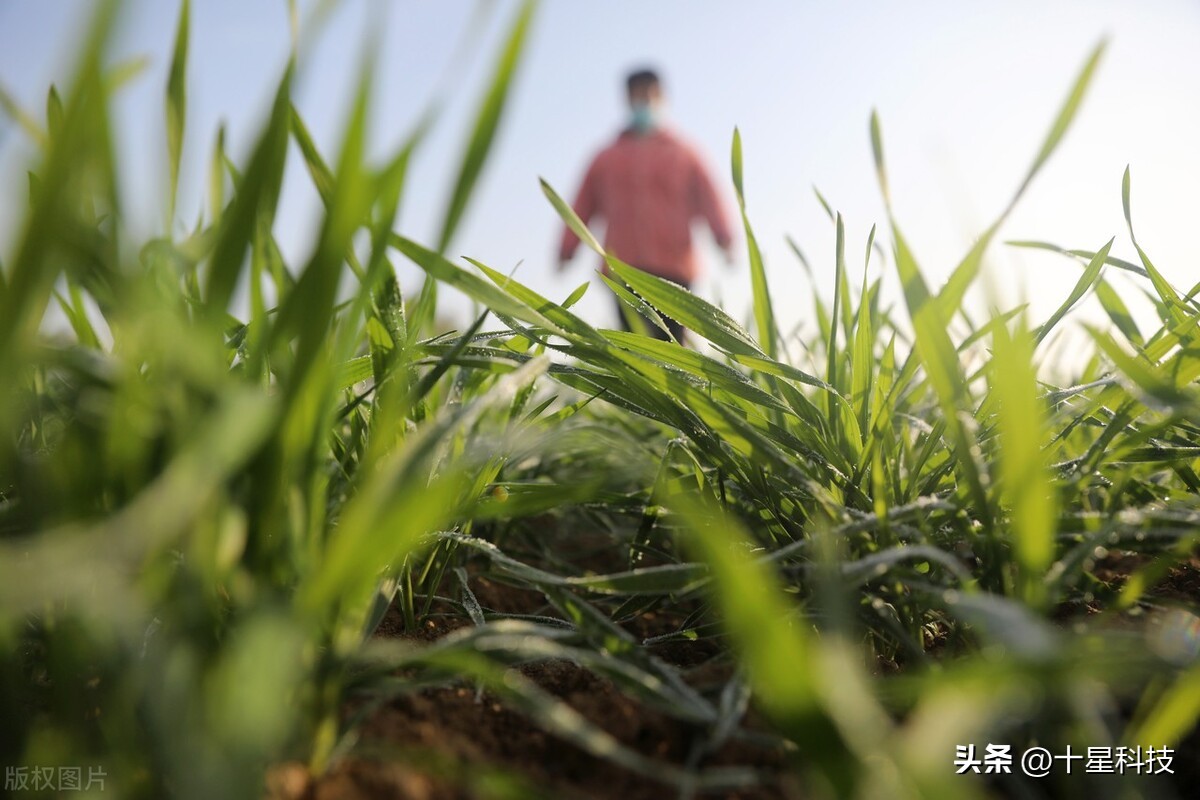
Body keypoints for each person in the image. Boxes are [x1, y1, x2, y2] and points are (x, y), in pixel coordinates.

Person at [556, 67, 735, 343]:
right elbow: (582, 205)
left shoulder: (684, 153)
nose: (644, 103)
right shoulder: (606, 157)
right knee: (634, 347)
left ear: (662, 98)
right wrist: (566, 249)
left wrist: (724, 238)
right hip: (623, 268)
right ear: (627, 101)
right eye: (637, 97)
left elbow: (710, 196)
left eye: (650, 95)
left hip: (674, 270)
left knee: (674, 349)